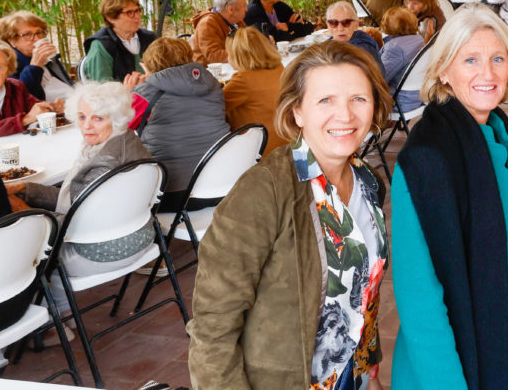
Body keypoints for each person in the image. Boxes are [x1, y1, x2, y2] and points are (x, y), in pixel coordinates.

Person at [188, 41, 392, 390]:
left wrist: (368, 370)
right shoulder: (263, 191)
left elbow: (362, 294)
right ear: (297, 112)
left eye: (358, 98)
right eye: (325, 100)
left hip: (348, 377)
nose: (345, 115)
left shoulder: (367, 181)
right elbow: (212, 328)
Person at [390, 4, 508, 388]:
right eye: (471, 60)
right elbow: (420, 298)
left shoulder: (498, 135)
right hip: (455, 368)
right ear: (444, 69)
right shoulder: (428, 157)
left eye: (498, 58)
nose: (488, 73)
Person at [6, 82, 154, 297]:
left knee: (23, 259)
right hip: (142, 234)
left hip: (102, 251)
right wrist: (26, 189)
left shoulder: (104, 163)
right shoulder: (127, 139)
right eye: (82, 117)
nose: (87, 126)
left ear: (116, 117)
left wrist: (22, 210)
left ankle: (57, 324)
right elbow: (78, 200)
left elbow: (72, 225)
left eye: (98, 118)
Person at [131, 36, 229, 211]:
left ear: (150, 64)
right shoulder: (212, 83)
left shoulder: (145, 93)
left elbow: (116, 128)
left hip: (173, 194)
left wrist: (124, 95)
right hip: (222, 185)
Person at [222, 27, 286, 154]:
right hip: (285, 142)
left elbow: (214, 106)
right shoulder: (279, 68)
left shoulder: (243, 80)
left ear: (238, 55)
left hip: (259, 150)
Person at [0, 39, 58, 140]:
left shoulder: (16, 88)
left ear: (8, 71)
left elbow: (38, 108)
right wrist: (24, 120)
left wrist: (56, 107)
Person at [0, 10, 74, 102]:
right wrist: (35, 66)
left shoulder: (49, 58)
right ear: (12, 41)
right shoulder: (8, 64)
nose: (37, 38)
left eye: (38, 32)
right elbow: (20, 99)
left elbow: (67, 84)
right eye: (27, 34)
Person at [80, 0, 154, 83]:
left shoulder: (149, 38)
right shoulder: (101, 46)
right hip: (122, 96)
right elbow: (102, 88)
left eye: (138, 11)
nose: (137, 16)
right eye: (129, 13)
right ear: (111, 18)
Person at [378, 7, 426, 115]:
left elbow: (380, 79)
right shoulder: (419, 40)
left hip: (401, 101)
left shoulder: (395, 48)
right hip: (419, 96)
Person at [190, 0, 248, 66]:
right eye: (244, 5)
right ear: (230, 9)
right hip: (209, 74)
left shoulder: (237, 21)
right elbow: (214, 55)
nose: (246, 9)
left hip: (234, 67)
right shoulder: (207, 24)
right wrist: (246, 55)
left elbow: (249, 41)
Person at [326, 1, 383, 73]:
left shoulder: (363, 50)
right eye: (333, 23)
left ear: (356, 24)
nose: (340, 28)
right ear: (327, 25)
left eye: (346, 22)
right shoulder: (326, 45)